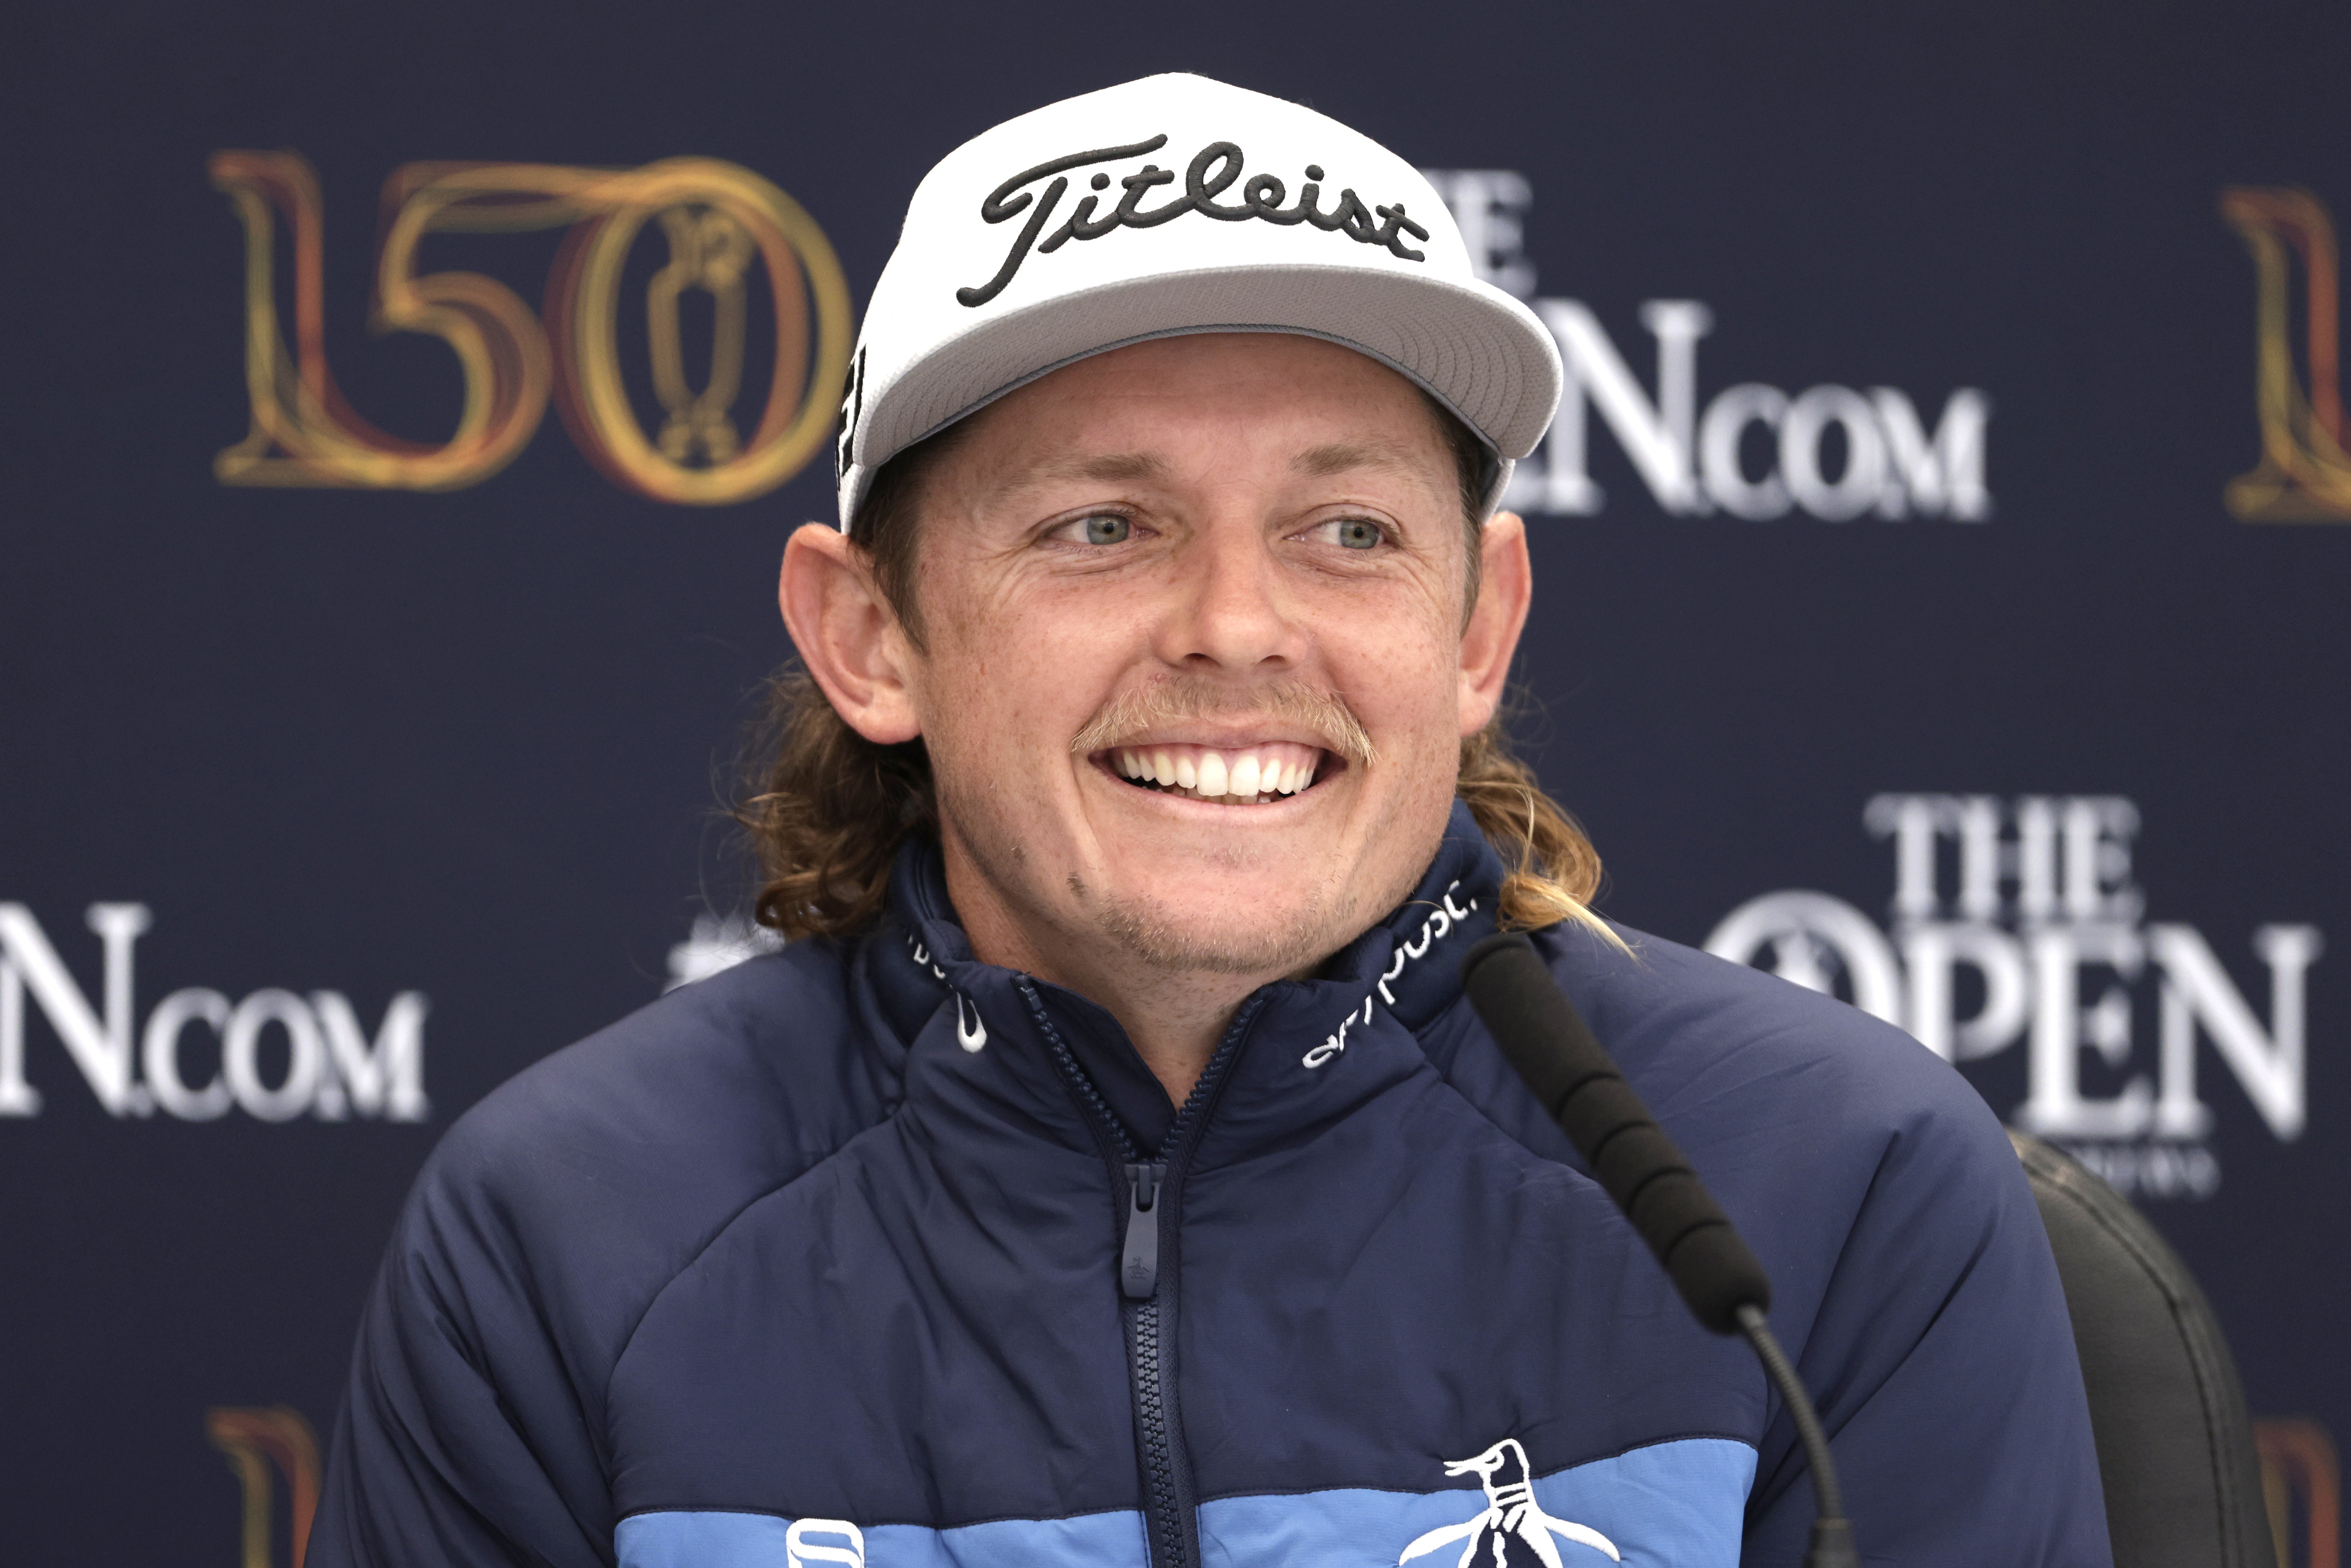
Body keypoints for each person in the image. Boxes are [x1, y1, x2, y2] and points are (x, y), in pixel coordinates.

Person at [310, 74, 2110, 1568]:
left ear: (1476, 625)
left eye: (1347, 532)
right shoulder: (565, 1238)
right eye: (1104, 526)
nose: (1238, 628)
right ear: (870, 637)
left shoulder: (1835, 1186)